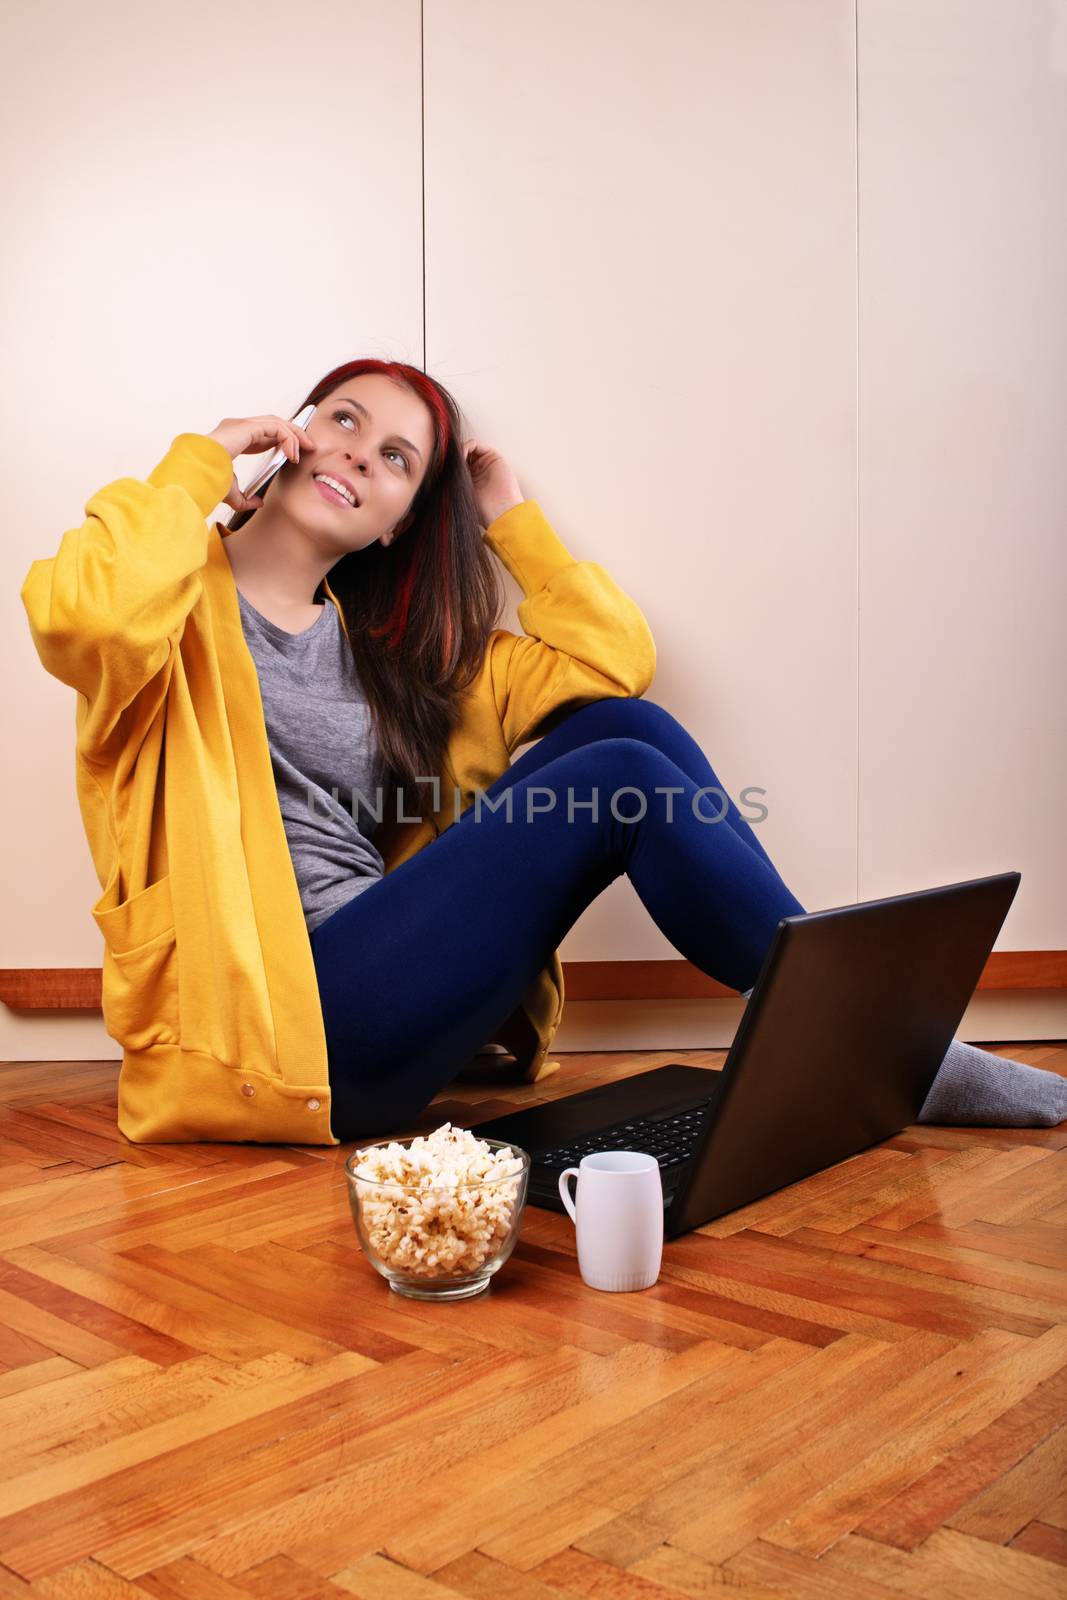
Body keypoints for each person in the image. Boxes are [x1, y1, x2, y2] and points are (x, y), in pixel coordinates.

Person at [21, 359, 1066, 1145]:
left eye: (396, 458)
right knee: (617, 778)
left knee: (625, 737)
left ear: (395, 523)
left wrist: (510, 520)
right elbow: (84, 619)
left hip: (392, 997)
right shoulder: (166, 612)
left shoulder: (388, 655)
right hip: (283, 1028)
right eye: (342, 419)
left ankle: (844, 1028)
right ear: (288, 436)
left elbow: (614, 664)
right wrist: (202, 459)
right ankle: (869, 1035)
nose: (356, 453)